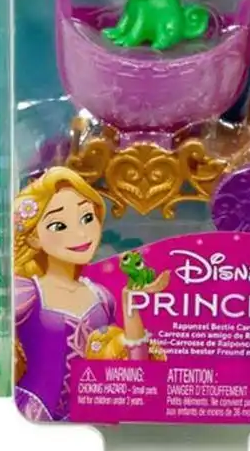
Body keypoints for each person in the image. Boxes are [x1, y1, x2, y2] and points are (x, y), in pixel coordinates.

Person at [13, 166, 168, 421]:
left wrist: (129, 301)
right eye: (59, 225)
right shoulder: (26, 293)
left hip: (90, 415)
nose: (81, 233)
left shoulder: (102, 297)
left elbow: (134, 367)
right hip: (36, 413)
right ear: (33, 238)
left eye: (87, 218)